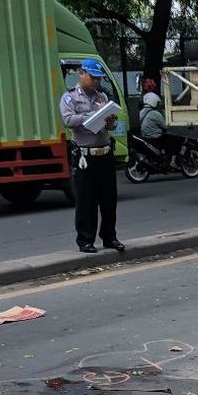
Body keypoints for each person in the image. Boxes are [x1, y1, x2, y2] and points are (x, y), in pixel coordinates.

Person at [59, 58, 124, 254]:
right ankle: (86, 240)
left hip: (104, 153)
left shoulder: (102, 96)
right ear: (82, 74)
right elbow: (68, 119)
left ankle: (109, 237)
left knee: (109, 199)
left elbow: (111, 125)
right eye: (93, 77)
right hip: (84, 156)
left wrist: (110, 119)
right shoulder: (69, 98)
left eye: (99, 79)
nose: (97, 82)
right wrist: (91, 116)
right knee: (86, 200)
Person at [140, 92, 181, 170]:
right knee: (176, 140)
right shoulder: (155, 113)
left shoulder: (141, 112)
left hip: (145, 137)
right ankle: (173, 161)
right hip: (155, 137)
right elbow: (165, 126)